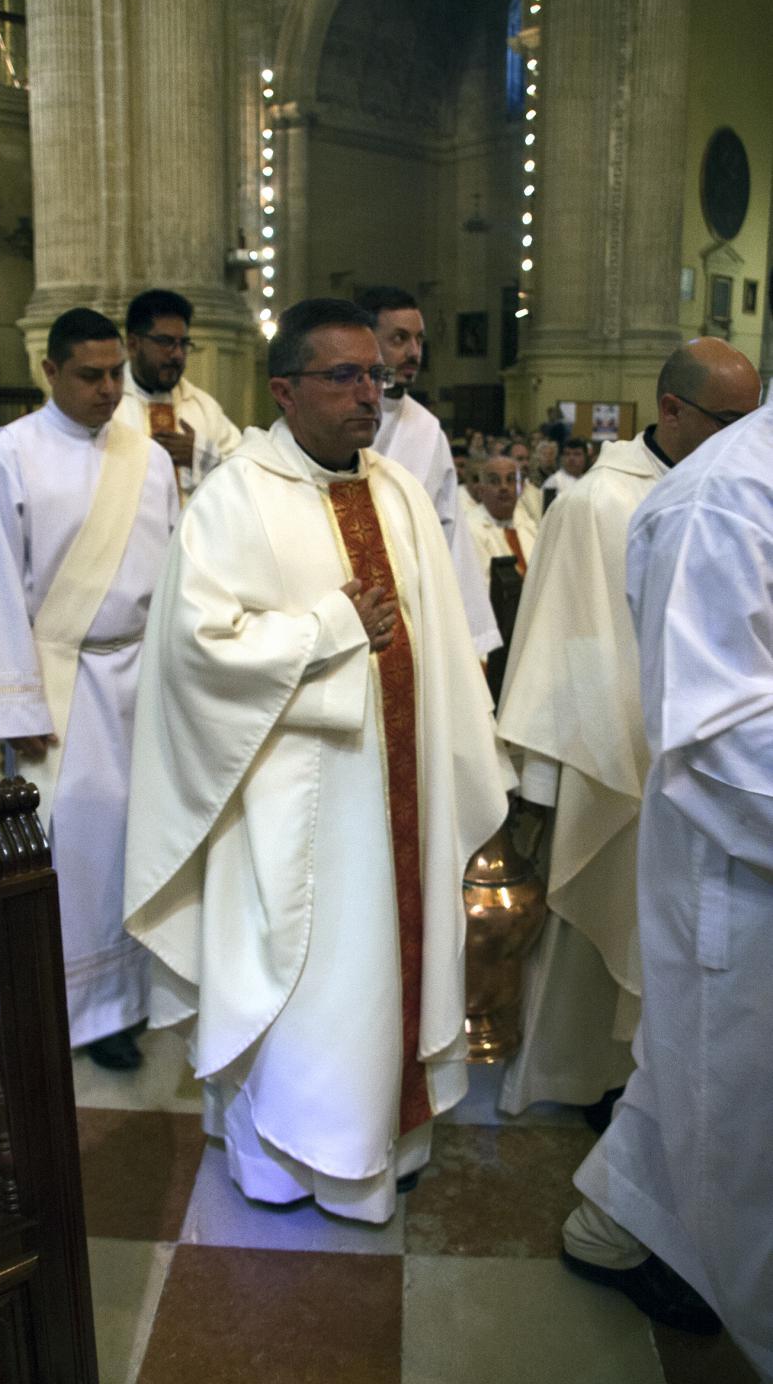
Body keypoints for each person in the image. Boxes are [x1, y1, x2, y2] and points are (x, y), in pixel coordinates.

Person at [123, 298, 513, 1223]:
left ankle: (390, 1140)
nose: (366, 394)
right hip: (295, 807)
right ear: (285, 390)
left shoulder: (398, 491)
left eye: (374, 374)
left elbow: (439, 638)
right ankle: (284, 1162)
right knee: (305, 976)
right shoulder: (235, 498)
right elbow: (194, 651)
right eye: (342, 376)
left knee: (391, 971)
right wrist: (331, 628)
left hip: (399, 791)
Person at [497, 339, 762, 1122]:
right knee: (598, 923)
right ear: (671, 410)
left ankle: (656, 1083)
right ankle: (585, 1076)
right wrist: (551, 777)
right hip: (610, 754)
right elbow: (560, 641)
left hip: (706, 755)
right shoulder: (595, 502)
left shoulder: (738, 492)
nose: (743, 436)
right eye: (727, 420)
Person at [563, 387, 773, 1374]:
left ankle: (614, 1227)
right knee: (730, 1104)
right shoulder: (721, 499)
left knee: (698, 1081)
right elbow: (720, 738)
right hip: (741, 864)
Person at [0, 308, 179, 1070]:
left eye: (117, 372)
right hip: (64, 680)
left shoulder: (147, 458)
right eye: (90, 375)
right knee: (82, 849)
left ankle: (151, 989)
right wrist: (14, 704)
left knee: (147, 835)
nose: (109, 389)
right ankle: (93, 1010)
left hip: (144, 673)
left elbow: (175, 576)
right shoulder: (10, 457)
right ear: (49, 373)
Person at [360, 285, 500, 656]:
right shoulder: (340, 416)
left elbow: (449, 533)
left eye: (419, 340)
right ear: (366, 340)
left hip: (410, 611)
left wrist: (470, 643)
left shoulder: (426, 429)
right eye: (400, 339)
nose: (414, 352)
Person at [114, 287, 241, 498]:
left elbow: (245, 473)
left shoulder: (203, 407)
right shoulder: (109, 405)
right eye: (165, 342)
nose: (178, 354)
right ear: (133, 344)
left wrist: (202, 457)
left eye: (183, 343)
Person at [465, 454, 537, 584]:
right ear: (481, 490)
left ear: (520, 488)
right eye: (494, 481)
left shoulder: (529, 525)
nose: (504, 487)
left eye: (510, 480)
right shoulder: (470, 529)